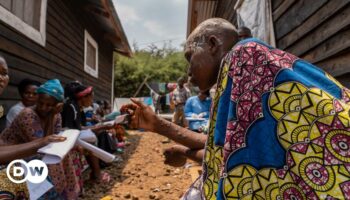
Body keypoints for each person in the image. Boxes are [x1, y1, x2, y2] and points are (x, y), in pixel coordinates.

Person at [121, 18, 350, 199]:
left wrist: (184, 153)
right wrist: (156, 125)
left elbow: (238, 161)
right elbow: (229, 146)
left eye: (190, 57)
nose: (189, 72)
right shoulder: (235, 74)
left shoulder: (245, 57)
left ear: (212, 44)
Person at [0, 79, 80, 199]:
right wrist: (51, 115)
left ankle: (69, 193)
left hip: (34, 150)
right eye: (41, 103)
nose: (43, 108)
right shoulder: (28, 114)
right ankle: (56, 193)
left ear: (57, 105)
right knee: (52, 164)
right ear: (37, 100)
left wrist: (53, 116)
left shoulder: (57, 115)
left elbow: (54, 138)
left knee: (67, 154)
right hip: (14, 153)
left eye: (49, 105)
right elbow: (43, 146)